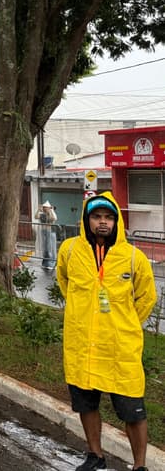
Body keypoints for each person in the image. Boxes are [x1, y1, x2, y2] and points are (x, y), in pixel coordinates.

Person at [57, 193, 156, 471]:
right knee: (86, 405)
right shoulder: (69, 250)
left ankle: (139, 466)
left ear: (116, 221)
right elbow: (64, 282)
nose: (103, 222)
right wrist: (83, 313)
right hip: (82, 345)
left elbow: (147, 297)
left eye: (109, 217)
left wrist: (124, 324)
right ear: (86, 220)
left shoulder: (133, 257)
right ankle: (95, 455)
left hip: (120, 349)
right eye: (97, 216)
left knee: (132, 411)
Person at [36, 201, 58, 270]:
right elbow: (36, 217)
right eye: (44, 207)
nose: (44, 209)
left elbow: (54, 218)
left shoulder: (51, 214)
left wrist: (51, 210)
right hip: (44, 232)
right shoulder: (42, 214)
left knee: (51, 248)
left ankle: (52, 263)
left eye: (45, 208)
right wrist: (38, 210)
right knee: (45, 248)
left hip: (51, 233)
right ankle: (45, 263)